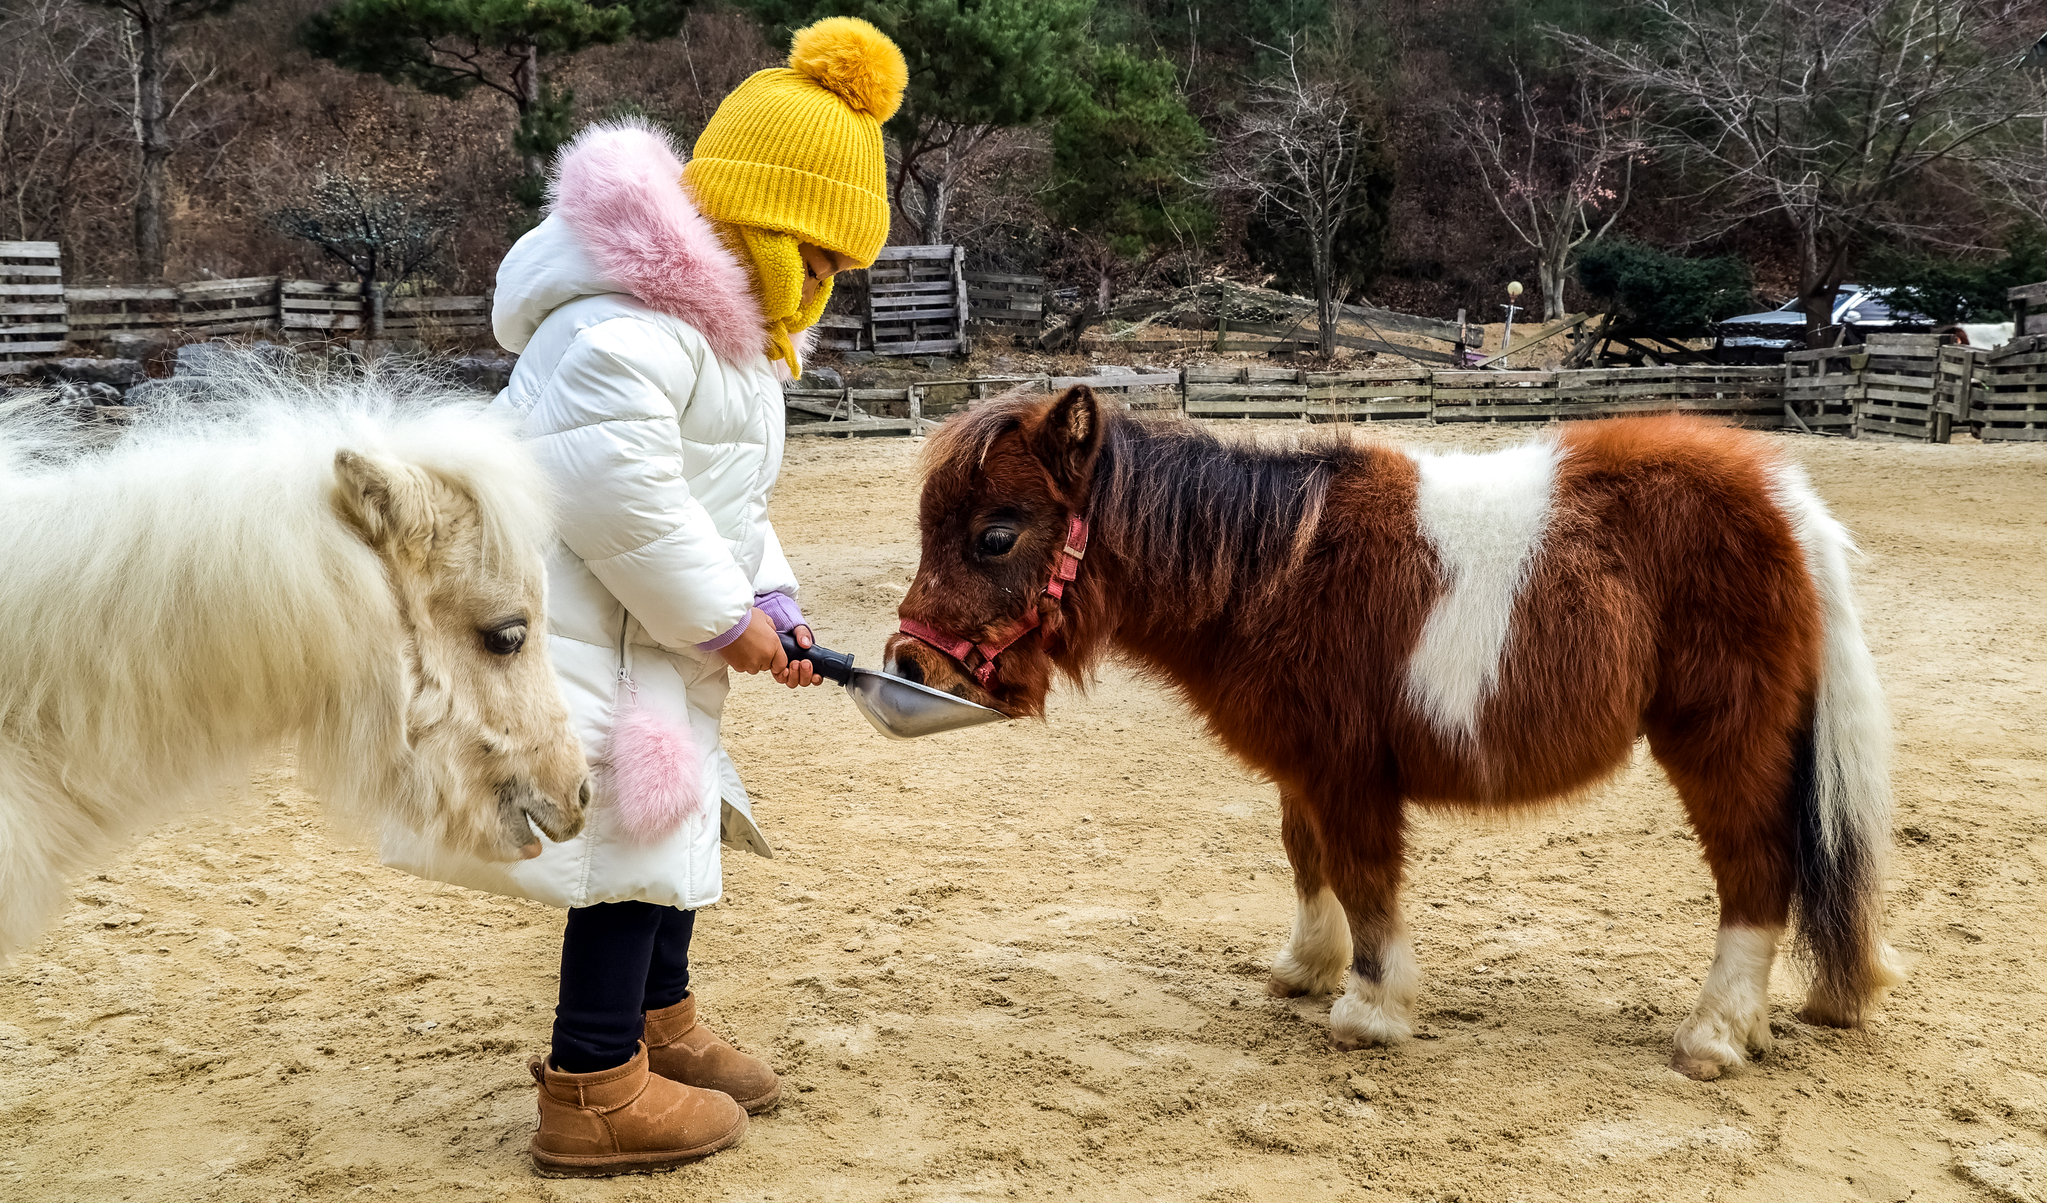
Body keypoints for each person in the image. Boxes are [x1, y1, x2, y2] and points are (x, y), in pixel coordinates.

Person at [377, 17, 909, 1179]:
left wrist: (775, 595)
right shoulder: (620, 334)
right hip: (587, 642)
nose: (821, 289)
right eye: (816, 260)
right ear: (758, 223)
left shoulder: (722, 346)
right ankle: (593, 1084)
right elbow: (629, 508)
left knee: (674, 832)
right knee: (623, 854)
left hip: (651, 643)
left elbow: (724, 503)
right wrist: (725, 621)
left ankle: (662, 1028)